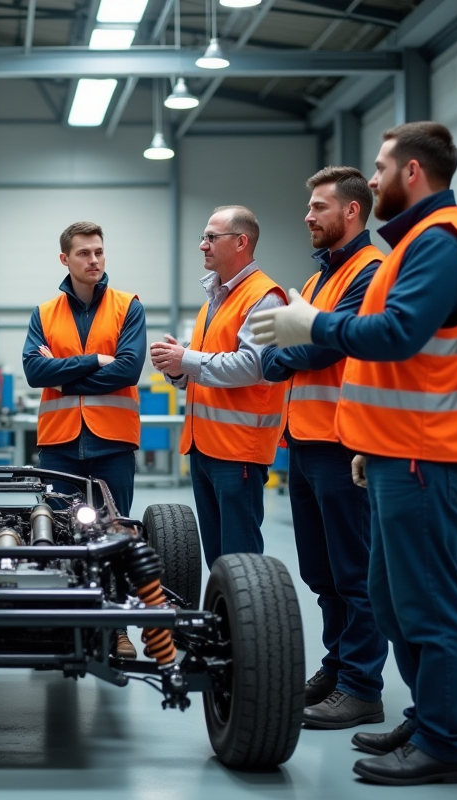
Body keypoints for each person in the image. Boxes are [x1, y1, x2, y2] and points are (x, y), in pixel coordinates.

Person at [250, 121, 457, 786]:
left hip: (431, 449)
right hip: (397, 448)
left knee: (428, 604)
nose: (376, 175)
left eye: (383, 166)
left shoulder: (442, 241)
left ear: (412, 172)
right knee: (393, 601)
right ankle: (426, 719)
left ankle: (446, 742)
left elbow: (396, 335)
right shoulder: (413, 243)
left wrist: (314, 324)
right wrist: (369, 442)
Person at [259, 167, 388, 730]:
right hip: (305, 445)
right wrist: (299, 337)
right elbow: (273, 351)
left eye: (318, 207)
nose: (308, 217)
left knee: (354, 572)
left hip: (344, 444)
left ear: (351, 212)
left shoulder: (371, 271)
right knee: (321, 573)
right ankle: (337, 669)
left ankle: (363, 686)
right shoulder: (313, 285)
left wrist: (299, 339)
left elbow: (319, 349)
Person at [22, 222, 146, 659]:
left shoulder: (128, 307)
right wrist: (94, 360)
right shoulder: (44, 312)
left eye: (99, 252)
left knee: (113, 537)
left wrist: (64, 373)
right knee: (55, 537)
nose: (94, 260)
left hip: (112, 444)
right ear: (65, 260)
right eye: (83, 254)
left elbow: (129, 370)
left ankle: (117, 630)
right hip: (59, 445)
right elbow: (34, 373)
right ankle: (59, 627)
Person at [149, 206, 287, 568]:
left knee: (240, 562)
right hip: (204, 447)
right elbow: (206, 369)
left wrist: (187, 360)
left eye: (211, 237)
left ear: (241, 242)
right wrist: (176, 369)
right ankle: (225, 624)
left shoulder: (264, 297)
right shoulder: (214, 299)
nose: (202, 245)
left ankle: (246, 626)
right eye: (203, 237)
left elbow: (255, 366)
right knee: (217, 562)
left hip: (238, 451)